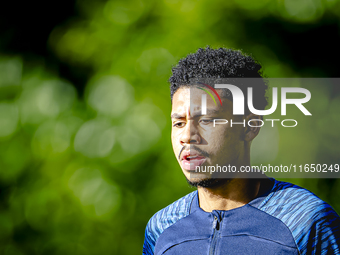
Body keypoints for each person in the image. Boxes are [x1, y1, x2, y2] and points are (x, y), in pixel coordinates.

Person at [142, 46, 340, 255]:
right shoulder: (161, 228)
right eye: (179, 123)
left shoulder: (305, 221)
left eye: (207, 120)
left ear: (250, 127)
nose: (187, 136)